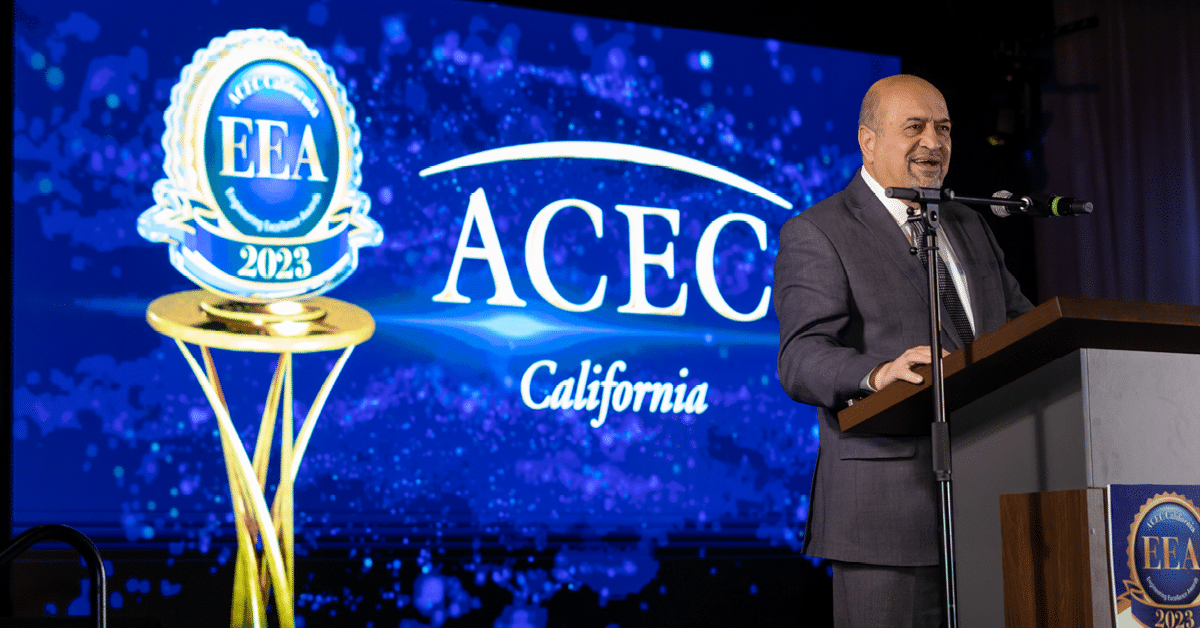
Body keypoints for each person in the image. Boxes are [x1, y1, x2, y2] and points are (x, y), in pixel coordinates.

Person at [773, 74, 1033, 627]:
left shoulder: (969, 222)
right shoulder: (818, 232)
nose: (933, 143)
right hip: (885, 514)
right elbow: (801, 358)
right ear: (868, 141)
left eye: (943, 128)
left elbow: (1019, 326)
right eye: (913, 127)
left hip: (990, 497)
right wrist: (877, 373)